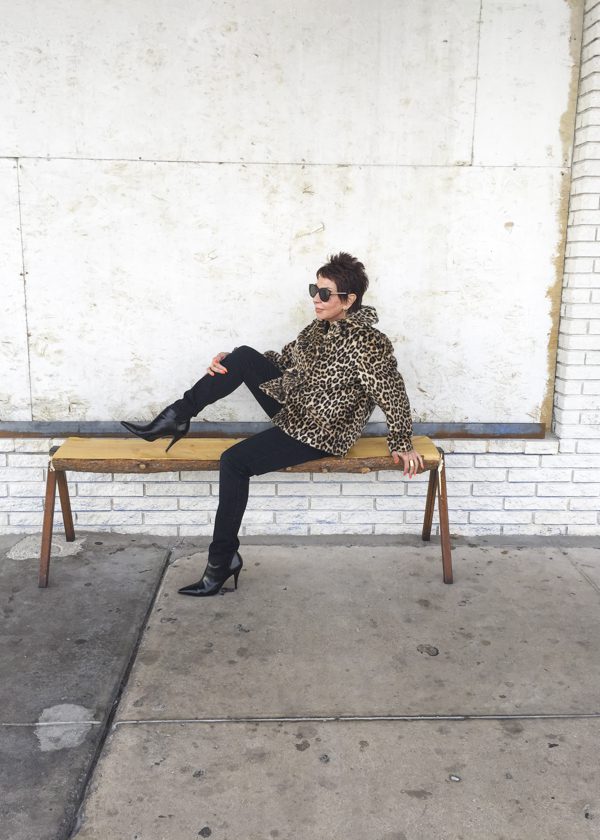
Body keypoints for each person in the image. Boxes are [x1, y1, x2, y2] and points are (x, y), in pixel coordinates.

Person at [121, 252, 423, 597]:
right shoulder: (316, 330)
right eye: (315, 289)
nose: (315, 298)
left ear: (348, 300)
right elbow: (280, 361)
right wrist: (232, 362)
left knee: (234, 462)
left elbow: (392, 391)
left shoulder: (368, 342)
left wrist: (402, 441)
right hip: (295, 408)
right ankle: (177, 417)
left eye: (325, 293)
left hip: (322, 431)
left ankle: (221, 562)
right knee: (245, 354)